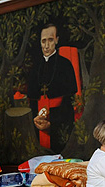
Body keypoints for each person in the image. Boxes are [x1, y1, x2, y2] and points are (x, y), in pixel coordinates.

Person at [27, 23, 78, 154]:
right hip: (37, 121)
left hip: (60, 121)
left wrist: (52, 122)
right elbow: (31, 99)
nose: (46, 45)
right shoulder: (35, 67)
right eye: (43, 41)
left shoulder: (65, 65)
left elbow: (70, 101)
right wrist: (35, 119)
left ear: (57, 40)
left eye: (50, 40)